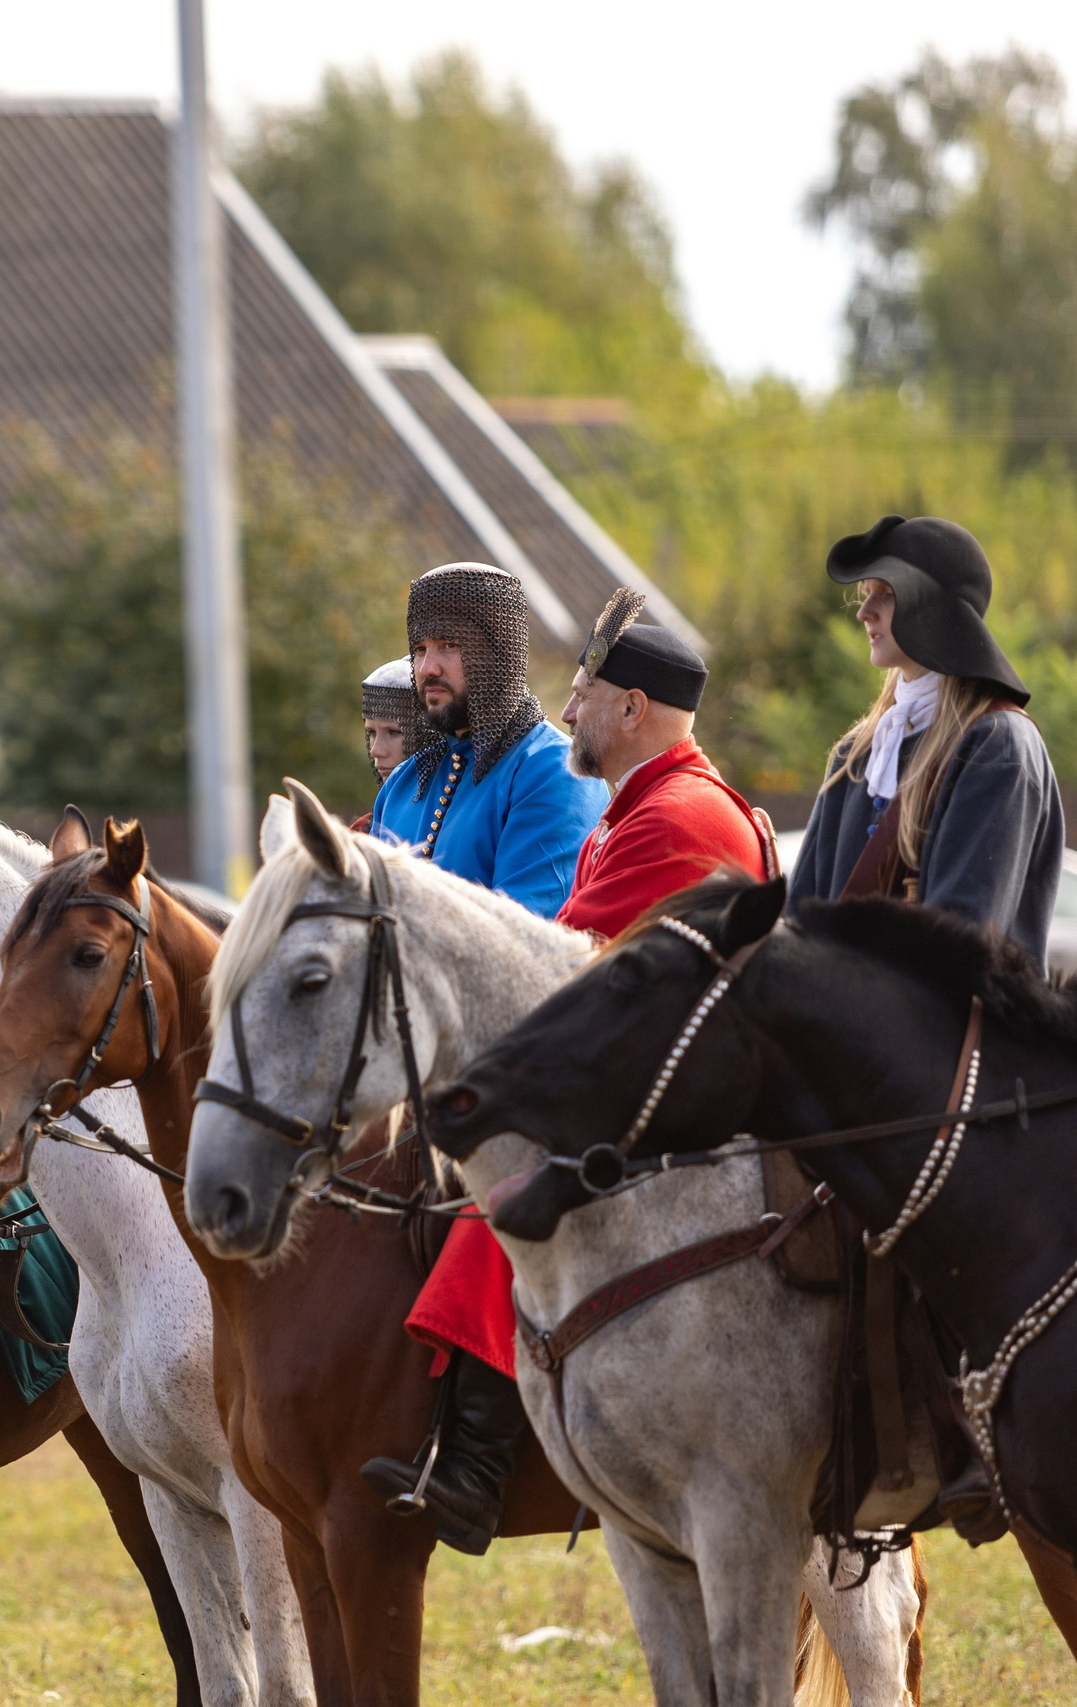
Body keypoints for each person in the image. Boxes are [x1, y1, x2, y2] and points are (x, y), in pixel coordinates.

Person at [362, 592, 774, 1554]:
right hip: (625, 1059)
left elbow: (563, 968)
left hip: (669, 1093)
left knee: (506, 1188)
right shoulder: (641, 804)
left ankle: (474, 1458)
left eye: (586, 693)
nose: (569, 707)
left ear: (632, 709)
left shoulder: (676, 816)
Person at [787, 516, 1062, 964]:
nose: (864, 612)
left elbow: (961, 948)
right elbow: (799, 922)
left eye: (886, 593)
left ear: (932, 606)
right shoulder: (854, 754)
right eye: (865, 593)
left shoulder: (998, 746)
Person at [365, 563, 607, 915]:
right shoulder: (402, 784)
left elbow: (521, 933)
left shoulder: (554, 772)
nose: (427, 667)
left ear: (498, 652)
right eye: (419, 649)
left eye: (448, 645)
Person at [554, 594, 774, 942]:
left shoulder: (670, 821)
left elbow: (563, 957)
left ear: (631, 709)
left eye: (582, 696)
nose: (567, 714)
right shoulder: (647, 808)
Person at [350, 659, 418, 835]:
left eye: (393, 732)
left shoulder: (450, 823)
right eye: (372, 733)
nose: (376, 751)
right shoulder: (362, 831)